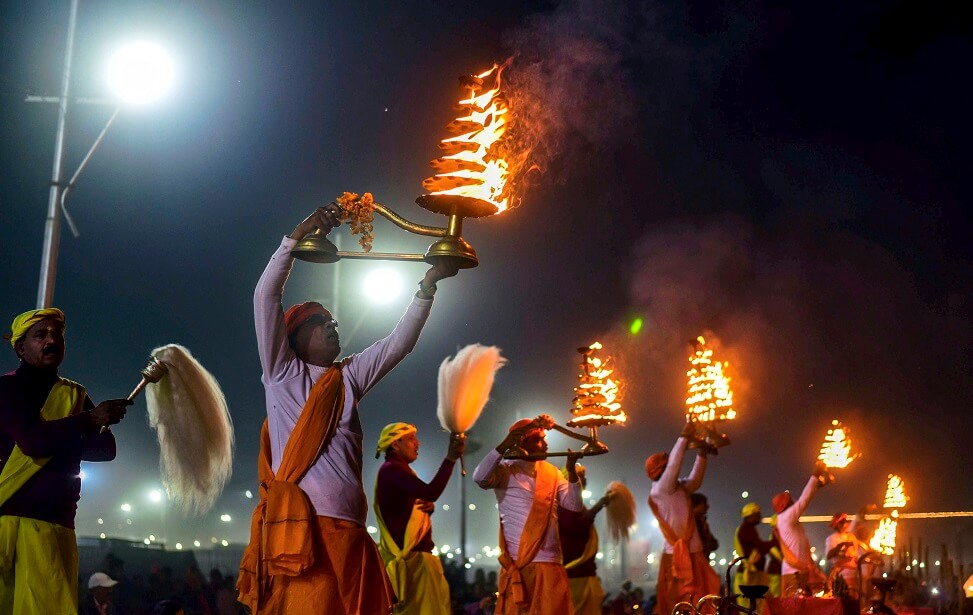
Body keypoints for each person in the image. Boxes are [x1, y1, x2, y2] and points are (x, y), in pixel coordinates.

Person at [237, 205, 460, 614]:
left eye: (334, 322)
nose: (332, 326)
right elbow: (265, 295)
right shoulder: (282, 373)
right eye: (321, 322)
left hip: (353, 534)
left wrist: (427, 286)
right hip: (304, 533)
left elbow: (398, 345)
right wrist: (294, 238)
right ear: (295, 338)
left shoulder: (348, 378)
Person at [0, 308, 130, 614]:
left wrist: (95, 422)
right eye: (40, 334)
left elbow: (104, 449)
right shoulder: (7, 388)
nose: (51, 340)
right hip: (14, 521)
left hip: (58, 526)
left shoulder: (74, 393)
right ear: (21, 347)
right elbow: (32, 441)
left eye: (57, 334)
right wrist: (87, 421)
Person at [474, 416, 583, 614]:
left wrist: (571, 473)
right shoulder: (506, 469)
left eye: (544, 437)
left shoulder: (551, 471)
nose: (546, 443)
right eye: (539, 439)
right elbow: (480, 477)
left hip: (551, 563)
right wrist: (504, 446)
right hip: (522, 564)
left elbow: (574, 505)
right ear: (521, 442)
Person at [374, 422, 465, 614]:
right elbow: (430, 492)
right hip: (413, 567)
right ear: (395, 444)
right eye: (411, 438)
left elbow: (406, 508)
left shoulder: (396, 469)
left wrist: (428, 509)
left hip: (416, 565)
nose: (418, 443)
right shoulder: (392, 469)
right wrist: (450, 459)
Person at [645, 422, 720, 615]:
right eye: (667, 465)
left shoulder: (678, 488)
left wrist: (702, 455)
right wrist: (684, 436)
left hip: (696, 555)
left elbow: (695, 480)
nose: (672, 469)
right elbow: (674, 466)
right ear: (661, 470)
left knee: (703, 604)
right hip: (676, 561)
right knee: (680, 606)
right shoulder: (662, 489)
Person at [557, 463, 612, 615]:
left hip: (583, 573)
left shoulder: (578, 506)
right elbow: (575, 527)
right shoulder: (563, 505)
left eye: (584, 478)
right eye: (580, 478)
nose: (585, 481)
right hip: (574, 574)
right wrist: (598, 506)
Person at [772, 464, 831, 597]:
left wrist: (818, 486)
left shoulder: (792, 522)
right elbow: (804, 500)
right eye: (790, 500)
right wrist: (815, 476)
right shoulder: (786, 517)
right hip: (794, 575)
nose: (794, 501)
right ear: (786, 504)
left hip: (798, 574)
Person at [733, 503, 777, 607]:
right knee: (750, 607)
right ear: (751, 515)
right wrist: (774, 542)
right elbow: (759, 547)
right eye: (757, 514)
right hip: (749, 577)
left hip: (753, 574)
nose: (759, 516)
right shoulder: (746, 529)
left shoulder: (748, 528)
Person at [825, 512, 872, 599]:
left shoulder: (852, 537)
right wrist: (841, 546)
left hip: (854, 575)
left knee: (854, 600)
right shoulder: (832, 538)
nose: (846, 524)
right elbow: (829, 556)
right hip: (841, 575)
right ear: (837, 524)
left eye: (846, 521)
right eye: (843, 522)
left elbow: (855, 556)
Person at [691, 493, 719, 557]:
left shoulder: (702, 522)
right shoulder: (692, 523)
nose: (707, 506)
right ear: (696, 505)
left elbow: (713, 545)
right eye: (704, 503)